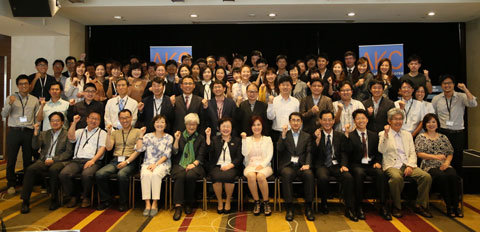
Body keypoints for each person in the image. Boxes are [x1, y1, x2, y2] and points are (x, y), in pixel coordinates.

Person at [378, 108, 432, 218]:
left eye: (400, 119)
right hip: (392, 165)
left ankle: (420, 205)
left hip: (407, 164)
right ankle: (397, 206)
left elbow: (412, 152)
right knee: (396, 178)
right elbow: (381, 150)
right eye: (395, 119)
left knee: (426, 177)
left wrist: (410, 165)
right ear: (389, 121)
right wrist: (386, 135)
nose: (398, 121)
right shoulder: (383, 133)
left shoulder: (407, 134)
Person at [21, 112, 72, 213]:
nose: (55, 123)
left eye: (57, 120)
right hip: (44, 160)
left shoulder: (67, 134)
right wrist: (35, 132)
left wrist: (54, 159)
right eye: (52, 121)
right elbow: (35, 147)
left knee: (54, 169)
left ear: (62, 122)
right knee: (30, 169)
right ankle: (25, 201)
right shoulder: (45, 133)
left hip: (60, 161)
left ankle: (54, 199)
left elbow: (68, 153)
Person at [415, 113, 462, 218]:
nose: (431, 124)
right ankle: (449, 206)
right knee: (442, 177)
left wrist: (447, 163)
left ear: (437, 124)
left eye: (433, 122)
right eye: (428, 122)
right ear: (425, 125)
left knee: (453, 175)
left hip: (444, 164)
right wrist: (435, 157)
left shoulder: (443, 137)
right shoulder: (421, 137)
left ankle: (456, 206)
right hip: (429, 165)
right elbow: (419, 153)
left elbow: (450, 152)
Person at [348, 109, 391, 221]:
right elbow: (347, 153)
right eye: (358, 118)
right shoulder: (350, 135)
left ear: (367, 120)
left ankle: (383, 205)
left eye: (363, 118)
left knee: (381, 174)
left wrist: (377, 162)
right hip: (356, 165)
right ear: (354, 121)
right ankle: (358, 206)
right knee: (359, 173)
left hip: (371, 164)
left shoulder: (374, 135)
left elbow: (378, 152)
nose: (361, 121)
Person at [313, 110, 356, 221]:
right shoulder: (316, 134)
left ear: (333, 121)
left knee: (348, 177)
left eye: (329, 120)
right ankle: (324, 202)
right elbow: (312, 154)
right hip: (322, 164)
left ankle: (349, 208)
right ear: (320, 121)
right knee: (322, 177)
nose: (327, 122)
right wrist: (316, 142)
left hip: (336, 164)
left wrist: (344, 165)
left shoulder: (339, 136)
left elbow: (345, 152)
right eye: (324, 120)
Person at [96, 109, 141, 212]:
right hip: (115, 160)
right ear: (119, 119)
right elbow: (108, 147)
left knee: (122, 175)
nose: (124, 120)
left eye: (126, 118)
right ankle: (106, 200)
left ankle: (123, 202)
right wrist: (108, 133)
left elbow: (138, 150)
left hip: (130, 160)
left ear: (131, 118)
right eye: (122, 118)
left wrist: (127, 161)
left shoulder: (138, 131)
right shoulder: (115, 133)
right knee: (100, 174)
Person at [2, 75, 40, 194]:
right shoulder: (11, 97)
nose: (24, 86)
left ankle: (27, 184)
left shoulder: (34, 99)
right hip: (14, 131)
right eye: (21, 84)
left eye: (26, 84)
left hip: (28, 132)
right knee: (11, 158)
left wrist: (36, 131)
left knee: (27, 159)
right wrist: (9, 104)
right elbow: (3, 114)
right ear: (18, 86)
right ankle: (11, 184)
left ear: (29, 85)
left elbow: (37, 117)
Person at [432, 75, 477, 176]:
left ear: (453, 84)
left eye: (449, 83)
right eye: (444, 83)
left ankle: (457, 185)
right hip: (442, 133)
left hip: (458, 133)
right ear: (441, 85)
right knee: (442, 158)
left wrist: (465, 89)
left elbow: (473, 103)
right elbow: (433, 115)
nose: (447, 85)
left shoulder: (461, 96)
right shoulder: (436, 98)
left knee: (457, 159)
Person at [61, 112, 106, 208]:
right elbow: (71, 138)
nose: (93, 121)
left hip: (93, 161)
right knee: (64, 174)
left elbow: (102, 149)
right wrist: (74, 123)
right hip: (77, 160)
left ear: (99, 121)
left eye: (96, 119)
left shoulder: (102, 133)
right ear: (87, 119)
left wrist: (93, 160)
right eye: (92, 118)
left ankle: (86, 197)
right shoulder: (80, 131)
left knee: (87, 174)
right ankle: (73, 196)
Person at [277, 112, 314, 221]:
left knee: (309, 174)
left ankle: (308, 207)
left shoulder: (306, 136)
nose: (295, 122)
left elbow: (309, 152)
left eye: (298, 120)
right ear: (289, 122)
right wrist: (283, 136)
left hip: (302, 166)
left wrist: (307, 164)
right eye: (293, 120)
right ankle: (289, 207)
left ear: (301, 122)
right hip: (288, 165)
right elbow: (279, 149)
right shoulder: (284, 134)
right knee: (286, 174)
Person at [135, 115, 173, 217]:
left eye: (162, 122)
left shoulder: (169, 137)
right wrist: (141, 135)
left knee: (156, 174)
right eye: (157, 122)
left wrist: (155, 164)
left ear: (165, 125)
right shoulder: (147, 136)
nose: (159, 124)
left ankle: (155, 203)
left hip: (162, 164)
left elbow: (167, 155)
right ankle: (147, 203)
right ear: (153, 124)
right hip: (148, 163)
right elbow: (139, 149)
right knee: (146, 175)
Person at [171, 113, 206, 221]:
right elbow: (175, 152)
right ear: (185, 124)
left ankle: (189, 203)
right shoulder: (179, 135)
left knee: (190, 175)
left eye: (194, 124)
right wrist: (176, 140)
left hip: (196, 165)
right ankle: (178, 206)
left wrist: (193, 164)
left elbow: (201, 155)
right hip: (180, 164)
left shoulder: (200, 138)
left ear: (197, 125)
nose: (191, 126)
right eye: (189, 124)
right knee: (181, 175)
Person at [206, 118, 243, 214]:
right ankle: (219, 202)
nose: (225, 129)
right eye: (223, 126)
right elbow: (209, 151)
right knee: (216, 177)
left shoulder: (237, 140)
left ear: (231, 128)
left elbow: (239, 157)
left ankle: (227, 201)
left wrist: (230, 166)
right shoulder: (214, 139)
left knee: (229, 177)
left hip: (231, 166)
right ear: (219, 128)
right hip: (217, 166)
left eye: (228, 126)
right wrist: (208, 137)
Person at [241, 116, 273, 216]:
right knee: (251, 175)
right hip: (250, 165)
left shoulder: (267, 139)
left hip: (265, 166)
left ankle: (266, 202)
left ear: (262, 126)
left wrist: (262, 165)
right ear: (251, 127)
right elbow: (244, 153)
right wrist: (244, 140)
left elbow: (270, 155)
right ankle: (257, 202)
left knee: (260, 176)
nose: (256, 127)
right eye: (254, 125)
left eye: (258, 125)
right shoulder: (248, 139)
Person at [267, 75, 300, 145]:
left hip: (291, 133)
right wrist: (270, 104)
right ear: (279, 86)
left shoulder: (296, 101)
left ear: (291, 87)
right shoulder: (274, 100)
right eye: (283, 85)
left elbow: (298, 119)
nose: (285, 87)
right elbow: (270, 117)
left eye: (287, 85)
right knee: (277, 155)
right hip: (276, 133)